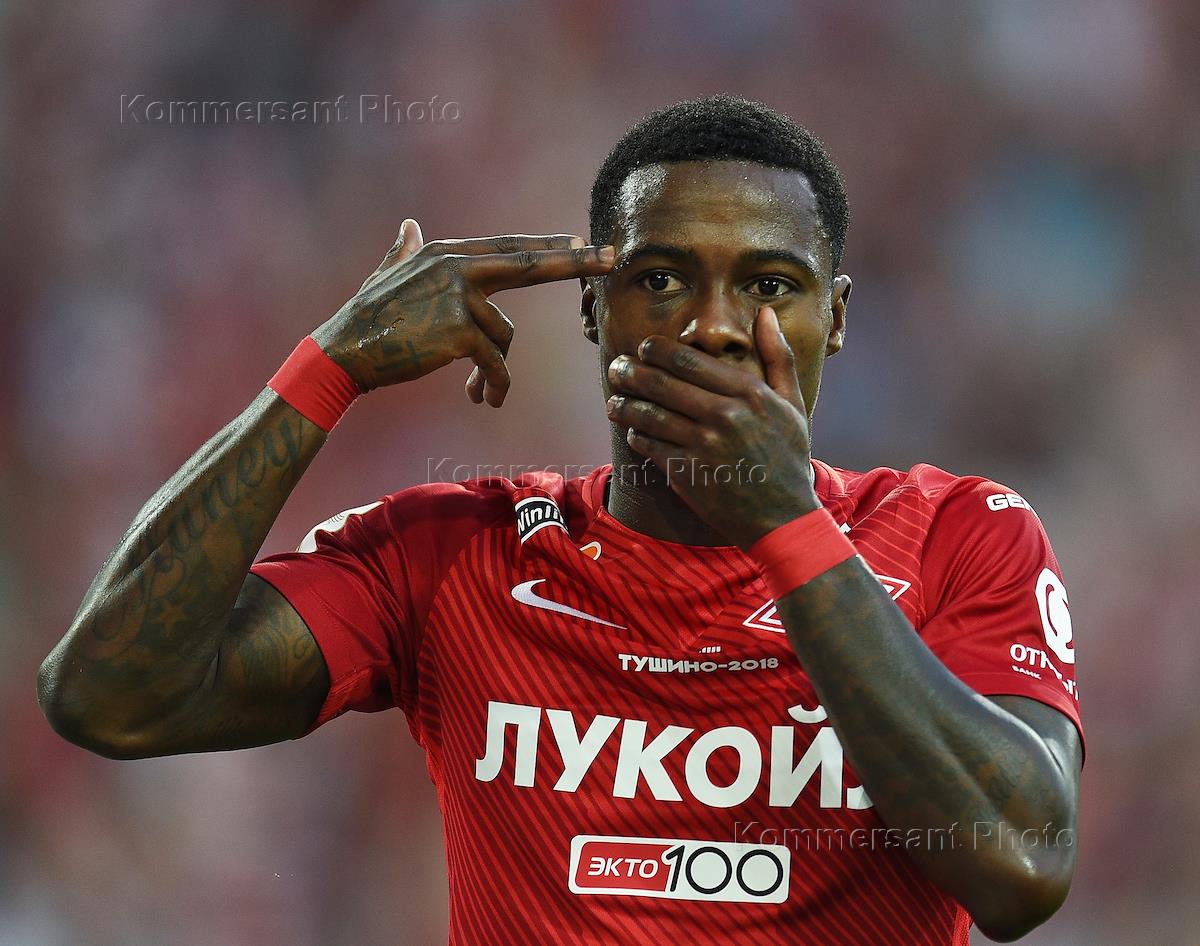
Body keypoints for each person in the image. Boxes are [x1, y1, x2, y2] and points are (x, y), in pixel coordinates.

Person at [38, 96, 1082, 944]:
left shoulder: (955, 536)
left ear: (837, 319)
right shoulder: (455, 555)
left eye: (770, 284)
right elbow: (110, 696)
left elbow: (1022, 870)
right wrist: (329, 367)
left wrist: (783, 523)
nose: (715, 326)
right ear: (591, 306)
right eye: (660, 278)